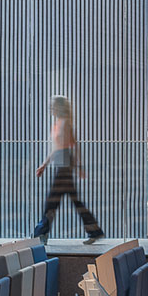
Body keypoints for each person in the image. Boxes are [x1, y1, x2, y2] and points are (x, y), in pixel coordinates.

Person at [33, 96, 105, 243]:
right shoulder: (58, 123)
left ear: (59, 107)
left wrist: (79, 167)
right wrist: (44, 165)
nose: (51, 109)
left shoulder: (66, 123)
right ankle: (94, 231)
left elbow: (73, 145)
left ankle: (41, 234)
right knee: (74, 201)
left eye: (53, 106)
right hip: (61, 164)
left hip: (65, 165)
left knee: (52, 201)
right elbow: (55, 149)